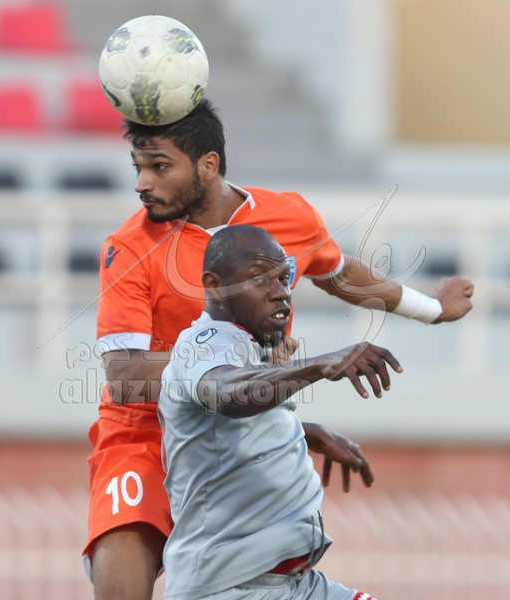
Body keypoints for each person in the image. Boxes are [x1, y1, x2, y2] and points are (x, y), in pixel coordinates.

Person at [86, 99, 474, 600]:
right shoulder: (129, 246)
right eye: (138, 167)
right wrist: (262, 381)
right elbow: (126, 376)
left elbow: (340, 275)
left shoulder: (286, 218)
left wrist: (433, 309)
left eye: (159, 167)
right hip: (141, 436)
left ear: (207, 165)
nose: (142, 183)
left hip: (240, 426)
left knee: (267, 579)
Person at [159, 224, 400, 599]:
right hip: (230, 589)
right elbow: (226, 393)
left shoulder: (249, 347)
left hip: (295, 584)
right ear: (215, 286)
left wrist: (304, 432)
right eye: (260, 279)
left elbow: (228, 422)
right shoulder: (203, 342)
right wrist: (320, 364)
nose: (281, 292)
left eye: (284, 278)